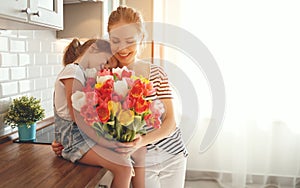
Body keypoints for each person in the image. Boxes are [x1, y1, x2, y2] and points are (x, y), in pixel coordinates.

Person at [53, 5, 188, 188]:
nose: (123, 48)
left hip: (172, 155)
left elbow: (171, 121)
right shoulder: (101, 77)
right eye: (116, 40)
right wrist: (64, 140)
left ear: (141, 38)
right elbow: (90, 119)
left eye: (130, 41)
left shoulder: (156, 73)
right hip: (140, 161)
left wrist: (142, 141)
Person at [53, 38, 144, 188]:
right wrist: (105, 142)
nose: (105, 66)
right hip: (74, 141)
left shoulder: (80, 72)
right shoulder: (73, 70)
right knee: (124, 168)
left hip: (81, 138)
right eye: (107, 60)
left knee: (128, 161)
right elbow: (77, 117)